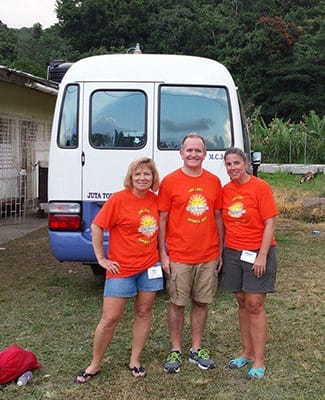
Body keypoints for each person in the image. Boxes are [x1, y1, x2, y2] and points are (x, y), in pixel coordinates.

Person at [76, 157, 164, 383]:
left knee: (144, 313)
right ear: (131, 177)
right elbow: (97, 226)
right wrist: (101, 258)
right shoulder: (118, 199)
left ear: (153, 178)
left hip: (149, 267)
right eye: (138, 174)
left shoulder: (156, 200)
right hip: (121, 268)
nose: (143, 178)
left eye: (147, 174)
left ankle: (135, 360)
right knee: (110, 318)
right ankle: (94, 364)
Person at [158, 133, 224, 373]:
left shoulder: (214, 181)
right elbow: (162, 219)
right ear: (181, 153)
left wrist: (220, 250)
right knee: (177, 303)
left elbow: (217, 217)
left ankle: (196, 349)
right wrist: (163, 254)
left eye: (198, 150)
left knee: (201, 302)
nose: (194, 154)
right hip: (178, 255)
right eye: (189, 150)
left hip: (207, 255)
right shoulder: (169, 181)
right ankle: (175, 349)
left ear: (205, 154)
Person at [221, 147, 278, 380]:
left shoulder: (260, 187)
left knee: (255, 303)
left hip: (257, 251)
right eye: (228, 164)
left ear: (245, 163)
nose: (232, 168)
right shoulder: (225, 190)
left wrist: (262, 255)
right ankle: (246, 351)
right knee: (242, 301)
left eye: (236, 163)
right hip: (233, 252)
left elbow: (270, 221)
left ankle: (259, 360)